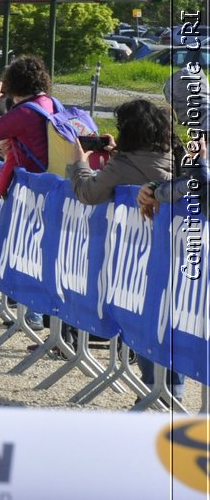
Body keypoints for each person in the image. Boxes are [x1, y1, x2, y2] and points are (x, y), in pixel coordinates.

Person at [67, 100, 181, 408]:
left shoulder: (121, 166)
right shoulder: (178, 157)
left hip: (140, 258)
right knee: (175, 319)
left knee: (144, 319)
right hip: (183, 253)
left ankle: (154, 390)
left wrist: (78, 163)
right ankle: (174, 390)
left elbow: (88, 193)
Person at [0, 56, 56, 198]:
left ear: (12, 84)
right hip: (54, 180)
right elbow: (31, 145)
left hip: (34, 189)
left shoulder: (24, 113)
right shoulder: (50, 102)